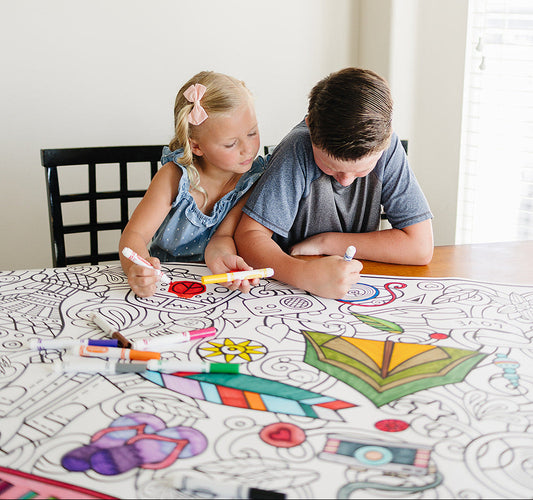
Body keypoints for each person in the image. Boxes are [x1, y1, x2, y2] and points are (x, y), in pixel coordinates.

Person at [235, 67, 433, 299]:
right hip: (290, 288)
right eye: (330, 167)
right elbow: (248, 236)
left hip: (350, 285)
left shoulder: (387, 148)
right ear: (310, 126)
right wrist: (302, 274)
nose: (346, 181)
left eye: (361, 170)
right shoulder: (297, 148)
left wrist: (328, 242)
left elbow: (420, 248)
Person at [119, 71, 267, 297]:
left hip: (214, 288)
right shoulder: (174, 177)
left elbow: (221, 238)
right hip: (166, 285)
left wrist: (225, 260)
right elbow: (134, 236)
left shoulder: (250, 181)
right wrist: (138, 268)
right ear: (196, 146)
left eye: (252, 133)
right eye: (230, 144)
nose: (247, 149)